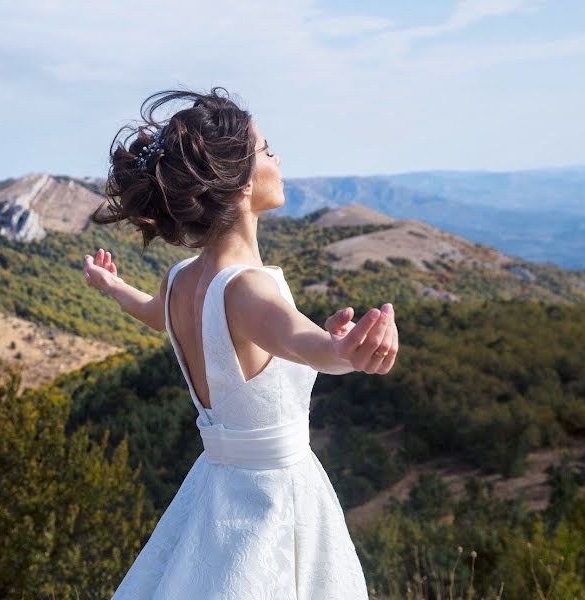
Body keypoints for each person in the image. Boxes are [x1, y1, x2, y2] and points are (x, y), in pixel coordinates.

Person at [83, 88, 398, 599]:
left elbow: (149, 314)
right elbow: (303, 342)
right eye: (267, 149)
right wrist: (345, 352)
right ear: (241, 184)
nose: (277, 158)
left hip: (212, 495)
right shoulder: (248, 287)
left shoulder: (182, 280)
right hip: (270, 504)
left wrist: (110, 285)